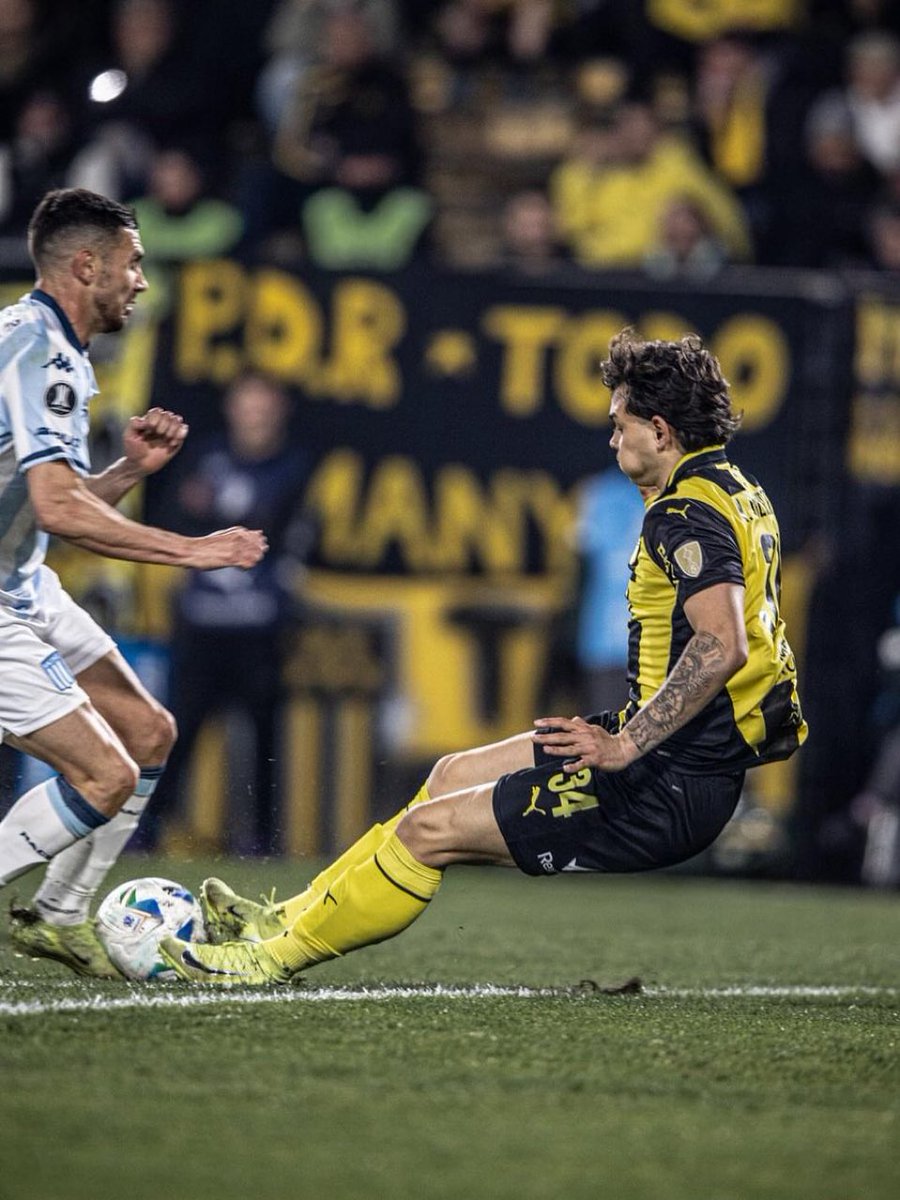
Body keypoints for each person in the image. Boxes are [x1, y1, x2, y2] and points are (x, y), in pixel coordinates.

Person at [159, 328, 808, 986]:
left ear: (661, 430)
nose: (612, 441)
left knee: (428, 833)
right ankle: (286, 918)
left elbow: (720, 643)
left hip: (669, 779)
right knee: (448, 775)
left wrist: (626, 745)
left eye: (619, 425)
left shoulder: (683, 511)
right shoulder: (736, 487)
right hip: (678, 758)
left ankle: (266, 961)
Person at [0, 187, 267, 977]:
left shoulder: (58, 351)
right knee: (104, 773)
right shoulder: (35, 350)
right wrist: (193, 551)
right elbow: (59, 507)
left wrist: (127, 471)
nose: (142, 281)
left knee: (148, 735)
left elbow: (50, 507)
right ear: (87, 266)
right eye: (133, 263)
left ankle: (58, 915)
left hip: (22, 579)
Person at [144, 372, 310, 855]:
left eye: (263, 404)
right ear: (233, 409)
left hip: (261, 625)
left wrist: (215, 513)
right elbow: (178, 516)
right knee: (177, 729)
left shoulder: (293, 465)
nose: (254, 414)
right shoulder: (205, 456)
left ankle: (260, 837)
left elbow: (277, 524)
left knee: (263, 738)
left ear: (279, 410)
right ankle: (148, 825)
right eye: (247, 404)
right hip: (200, 622)